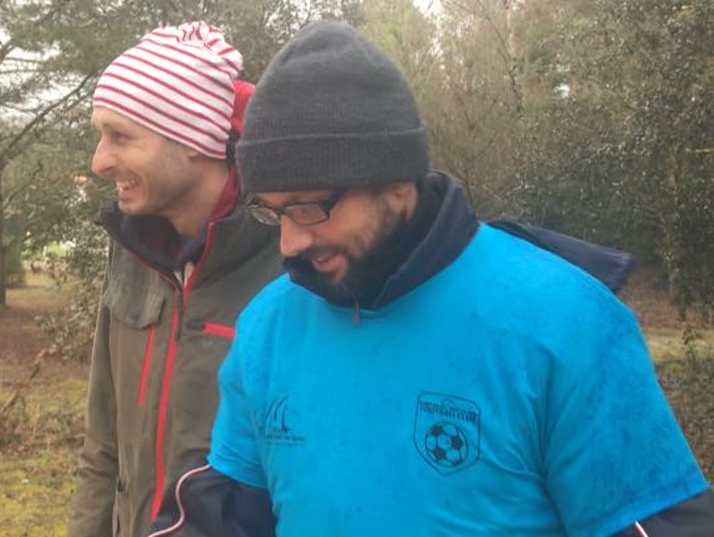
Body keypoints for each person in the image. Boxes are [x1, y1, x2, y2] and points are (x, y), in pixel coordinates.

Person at [148, 21, 714, 536]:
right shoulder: (269, 324)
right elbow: (223, 519)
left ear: (397, 182)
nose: (289, 244)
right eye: (272, 211)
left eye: (310, 207)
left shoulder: (567, 323)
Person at [66, 22, 284, 537]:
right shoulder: (130, 251)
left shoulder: (286, 267)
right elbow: (102, 447)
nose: (99, 162)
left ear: (192, 141)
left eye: (121, 136)